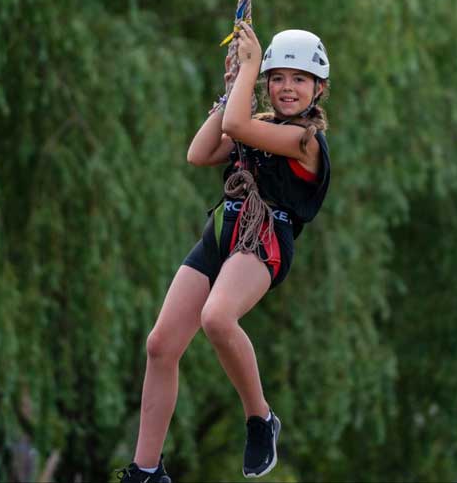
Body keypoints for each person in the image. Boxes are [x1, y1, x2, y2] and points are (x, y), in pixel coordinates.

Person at [116, 27, 332, 483]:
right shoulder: (258, 125)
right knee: (160, 345)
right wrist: (233, 89)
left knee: (217, 318)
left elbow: (237, 126)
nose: (287, 88)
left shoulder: (305, 142)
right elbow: (200, 152)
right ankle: (147, 470)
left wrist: (248, 72)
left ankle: (260, 418)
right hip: (223, 233)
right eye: (278, 78)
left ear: (318, 89)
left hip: (264, 239)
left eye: (300, 79)